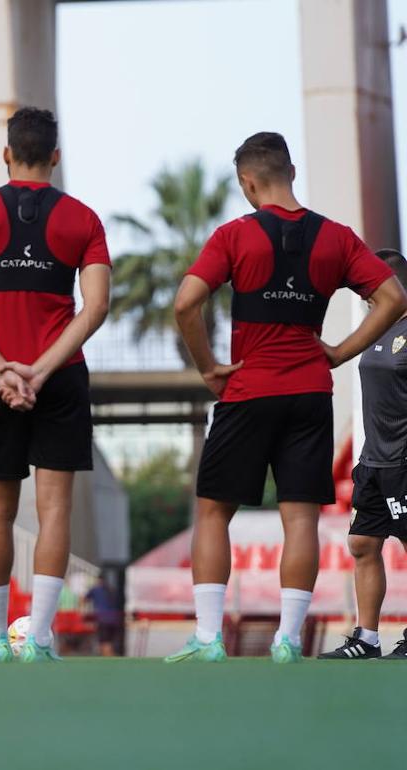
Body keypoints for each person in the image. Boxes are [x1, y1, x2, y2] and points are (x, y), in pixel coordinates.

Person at [168, 132, 406, 663]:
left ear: (247, 183)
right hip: (309, 394)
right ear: (292, 171)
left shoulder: (235, 235)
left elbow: (186, 302)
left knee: (213, 512)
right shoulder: (337, 238)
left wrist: (208, 367)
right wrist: (340, 352)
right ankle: (288, 641)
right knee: (298, 519)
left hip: (248, 390)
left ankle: (208, 639)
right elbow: (393, 297)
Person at [0, 106, 111, 663]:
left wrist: (3, 370)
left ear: (7, 154)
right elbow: (96, 307)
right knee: (55, 510)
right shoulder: (83, 219)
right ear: (56, 157)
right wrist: (41, 369)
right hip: (59, 379)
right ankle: (37, 639)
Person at [319, 249, 407, 661]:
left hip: (404, 462)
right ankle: (367, 639)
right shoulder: (374, 331)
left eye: (371, 283)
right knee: (361, 544)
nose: (365, 291)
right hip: (373, 462)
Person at [84, 574, 124, 657]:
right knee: (110, 642)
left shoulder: (95, 589)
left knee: (104, 642)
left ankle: (110, 662)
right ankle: (111, 658)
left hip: (103, 618)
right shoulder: (112, 589)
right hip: (115, 618)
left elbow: (84, 600)